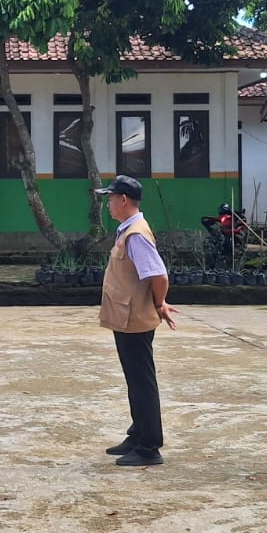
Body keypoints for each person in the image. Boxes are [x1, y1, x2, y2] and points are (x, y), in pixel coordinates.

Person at [95, 175, 177, 467]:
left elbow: (158, 275)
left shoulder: (136, 235)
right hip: (126, 317)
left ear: (124, 200)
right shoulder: (127, 229)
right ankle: (138, 433)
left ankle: (149, 447)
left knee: (142, 382)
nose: (108, 203)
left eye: (110, 198)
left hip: (135, 319)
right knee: (135, 380)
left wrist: (159, 303)